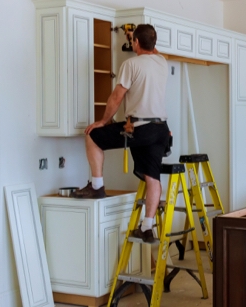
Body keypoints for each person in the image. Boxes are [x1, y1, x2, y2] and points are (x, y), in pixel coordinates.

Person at [71, 24, 169, 242]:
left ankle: (97, 186)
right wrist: (137, 37)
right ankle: (147, 227)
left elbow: (117, 97)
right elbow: (152, 49)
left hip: (139, 127)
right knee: (153, 177)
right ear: (154, 43)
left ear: (135, 43)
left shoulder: (130, 64)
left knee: (92, 136)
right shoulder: (162, 62)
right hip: (160, 129)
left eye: (133, 40)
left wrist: (103, 121)